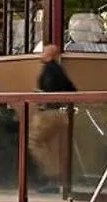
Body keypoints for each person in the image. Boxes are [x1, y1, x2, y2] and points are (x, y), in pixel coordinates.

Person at [29, 44, 75, 189]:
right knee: (44, 143)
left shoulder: (49, 69)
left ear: (49, 54)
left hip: (49, 112)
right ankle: (53, 176)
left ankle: (52, 176)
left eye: (43, 52)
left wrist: (40, 95)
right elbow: (71, 88)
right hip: (62, 112)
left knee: (34, 142)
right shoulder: (59, 70)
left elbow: (49, 92)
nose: (40, 54)